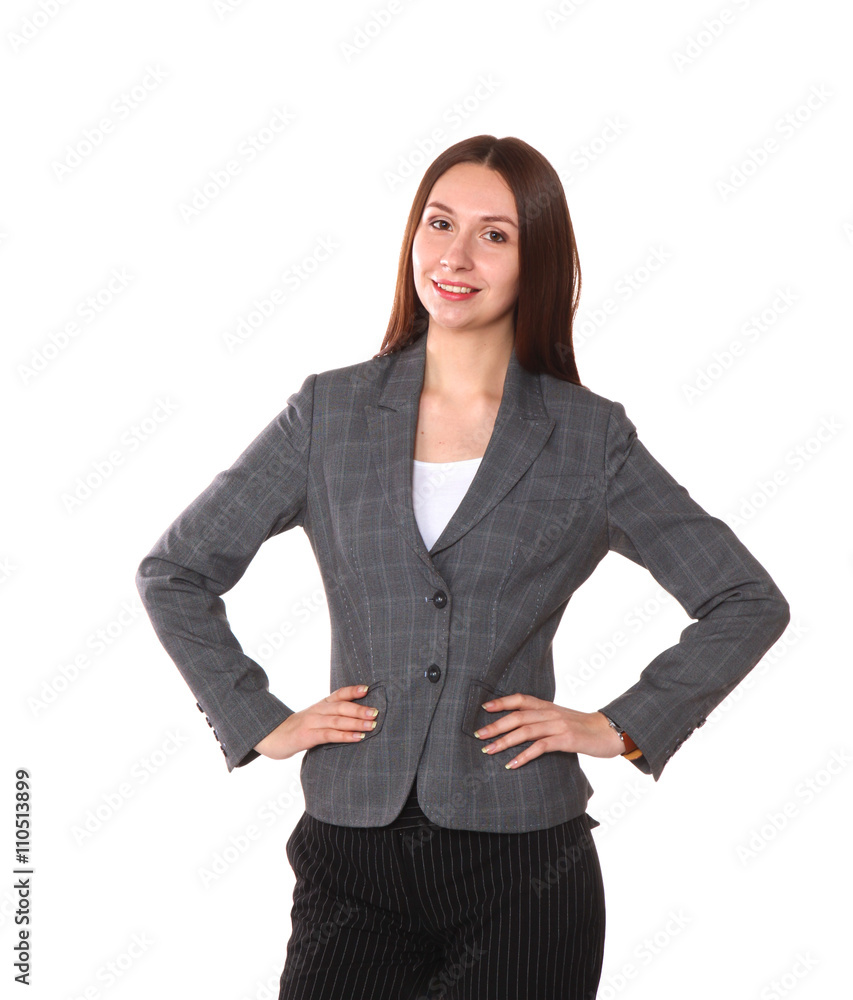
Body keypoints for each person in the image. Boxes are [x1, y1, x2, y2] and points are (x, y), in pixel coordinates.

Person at [136, 135, 790, 1000]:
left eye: (494, 234)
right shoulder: (327, 414)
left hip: (524, 866)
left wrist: (621, 724)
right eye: (438, 223)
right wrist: (257, 717)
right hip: (351, 853)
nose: (454, 254)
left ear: (537, 262)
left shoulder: (588, 438)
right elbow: (176, 571)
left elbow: (744, 598)